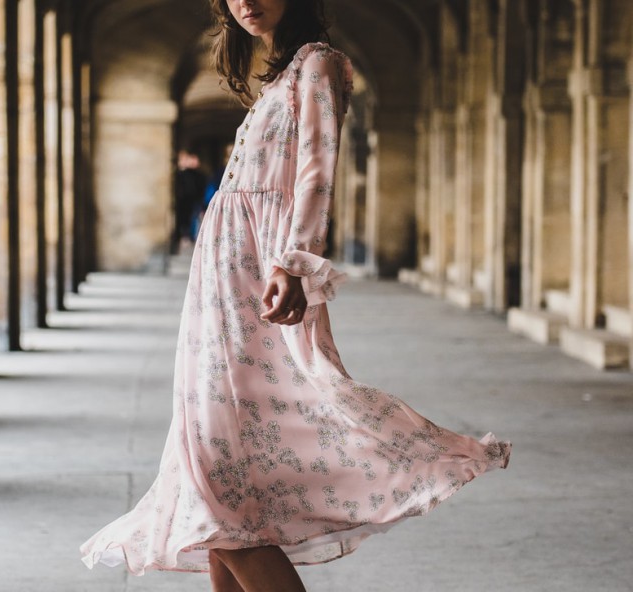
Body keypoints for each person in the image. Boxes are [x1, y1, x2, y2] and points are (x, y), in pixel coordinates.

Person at [80, 1, 511, 590]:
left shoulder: (320, 64)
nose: (245, 1)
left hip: (256, 276)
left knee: (218, 485)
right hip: (221, 285)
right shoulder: (281, 77)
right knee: (220, 480)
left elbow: (317, 171)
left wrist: (293, 261)